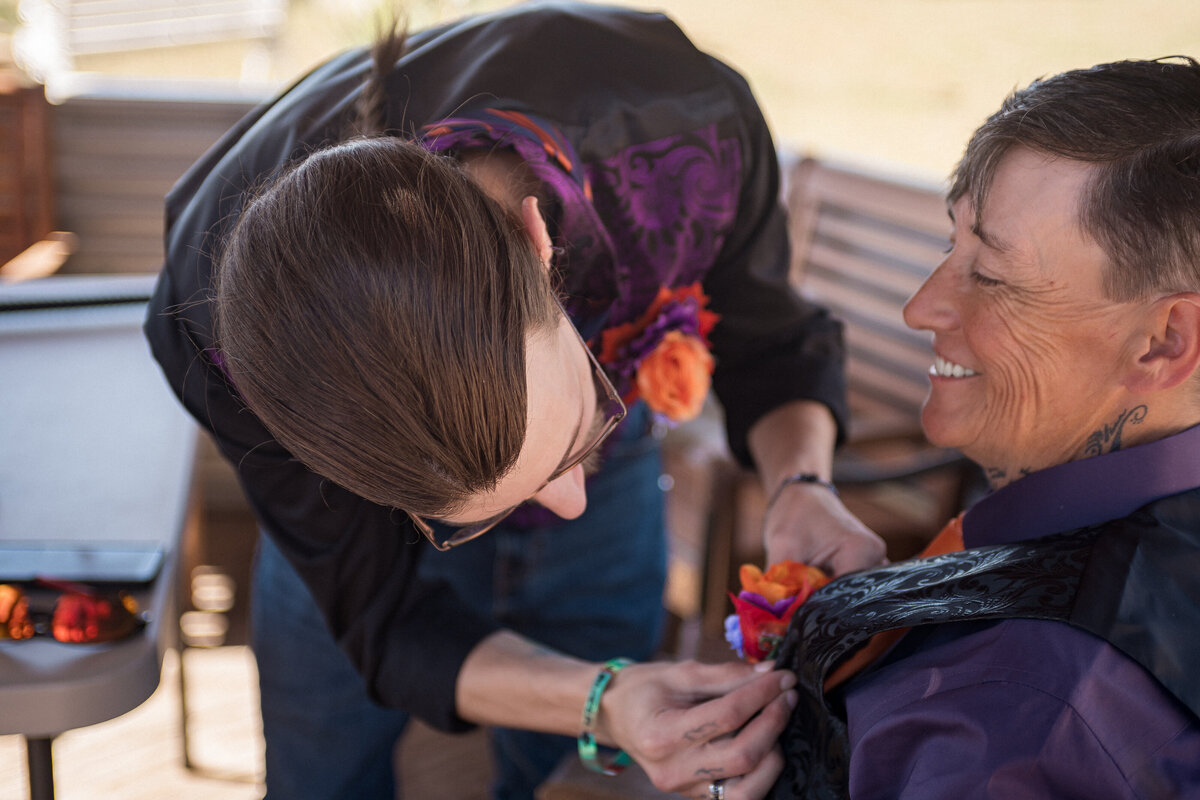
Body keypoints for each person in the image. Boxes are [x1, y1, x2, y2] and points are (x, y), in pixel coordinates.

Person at [145, 5, 885, 799]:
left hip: (619, 439)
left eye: (573, 435)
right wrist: (606, 702)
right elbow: (383, 617)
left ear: (538, 243)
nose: (573, 505)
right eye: (466, 513)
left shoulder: (688, 127)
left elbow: (770, 345)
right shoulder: (221, 345)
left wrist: (801, 486)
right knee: (324, 764)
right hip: (359, 535)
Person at [770, 56, 1200, 799]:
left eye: (993, 277)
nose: (921, 307)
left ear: (1163, 342)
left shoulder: (1015, 711)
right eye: (951, 244)